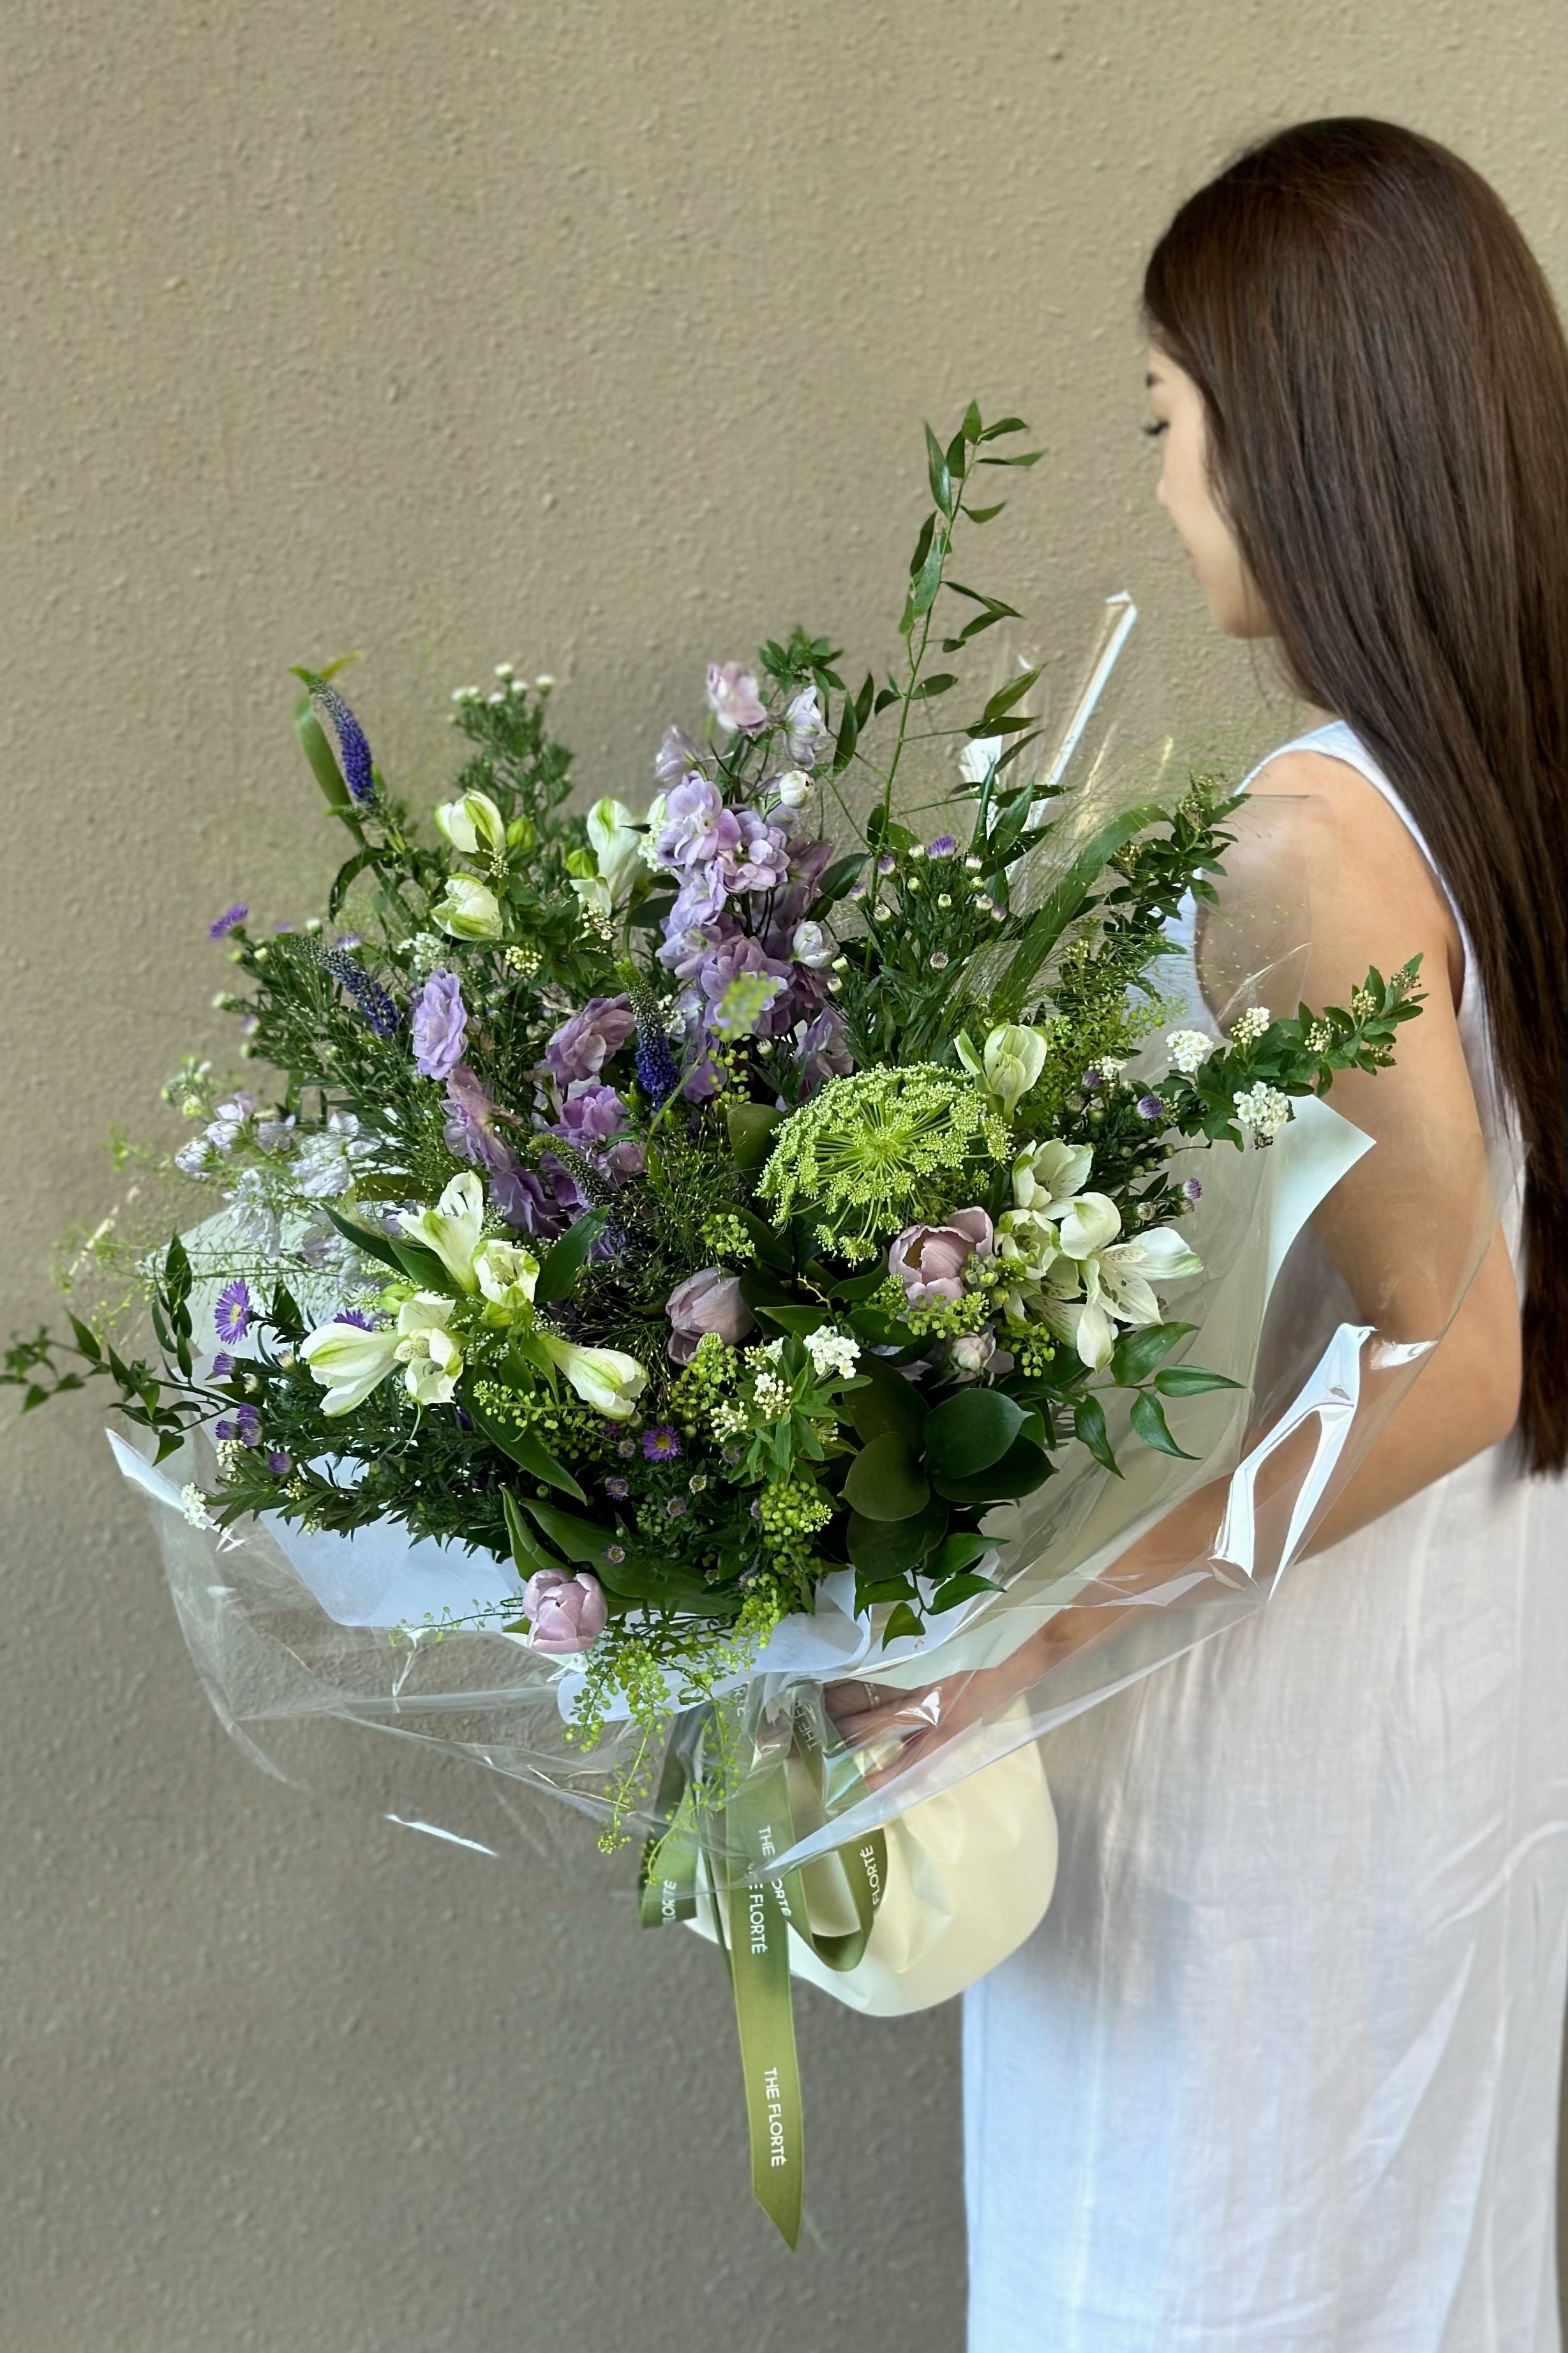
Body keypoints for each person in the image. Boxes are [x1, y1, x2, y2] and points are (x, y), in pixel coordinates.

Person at [829, 119, 1567, 2350]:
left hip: (1274, 1712)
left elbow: (1450, 1351)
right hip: (1462, 1675)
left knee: (1191, 2265)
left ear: (1287, 432)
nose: (1160, 482)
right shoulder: (1503, 784)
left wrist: (1035, 1624)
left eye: (1163, 416)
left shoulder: (1309, 843)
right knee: (1401, 2255)